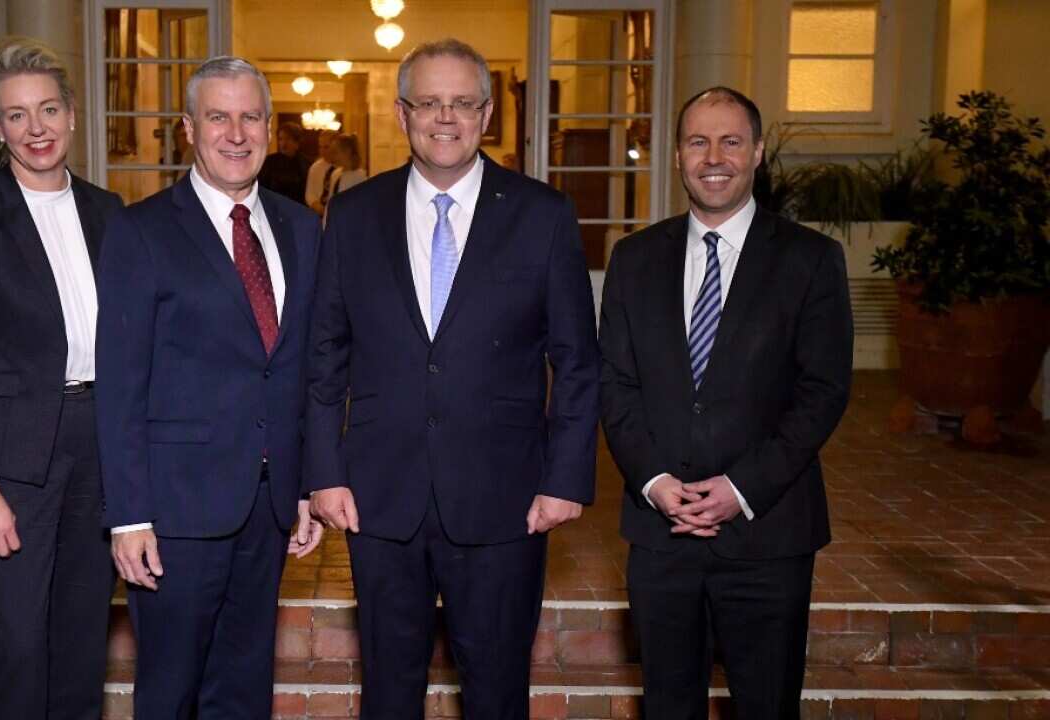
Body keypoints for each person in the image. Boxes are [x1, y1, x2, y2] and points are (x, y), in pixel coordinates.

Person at [305, 39, 600, 719]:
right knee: (388, 692)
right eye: (430, 103)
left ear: (487, 115)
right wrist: (324, 471)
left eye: (463, 103)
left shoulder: (543, 214)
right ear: (403, 114)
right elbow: (324, 354)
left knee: (496, 691)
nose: (446, 118)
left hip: (505, 498)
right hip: (379, 497)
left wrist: (564, 479)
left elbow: (578, 361)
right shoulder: (353, 214)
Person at [598, 86, 853, 720]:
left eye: (731, 141)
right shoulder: (633, 259)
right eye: (698, 142)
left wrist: (741, 489)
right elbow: (615, 384)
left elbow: (822, 392)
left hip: (768, 534)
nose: (714, 157)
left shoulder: (811, 259)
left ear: (758, 152)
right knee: (667, 705)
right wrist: (655, 482)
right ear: (677, 156)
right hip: (662, 534)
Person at [95, 56, 324, 718]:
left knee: (245, 690)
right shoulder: (141, 230)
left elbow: (301, 367)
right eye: (218, 117)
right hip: (175, 510)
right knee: (170, 692)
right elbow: (120, 384)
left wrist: (305, 484)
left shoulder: (301, 228)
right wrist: (129, 517)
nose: (236, 133)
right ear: (189, 129)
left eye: (251, 117)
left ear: (270, 127)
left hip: (268, 505)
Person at [0, 36, 121, 720]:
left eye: (47, 109)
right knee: (17, 649)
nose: (36, 128)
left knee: (82, 642)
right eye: (16, 115)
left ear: (71, 113)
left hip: (101, 443)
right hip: (15, 455)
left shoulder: (109, 211)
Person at [259, 120, 309, 204]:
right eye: (281, 139)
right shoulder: (269, 162)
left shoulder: (305, 163)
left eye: (288, 139)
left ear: (297, 142)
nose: (283, 143)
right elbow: (261, 188)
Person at [304, 128, 338, 209]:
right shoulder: (315, 168)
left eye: (326, 147)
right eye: (320, 147)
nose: (322, 151)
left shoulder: (344, 167)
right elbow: (309, 194)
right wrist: (319, 208)